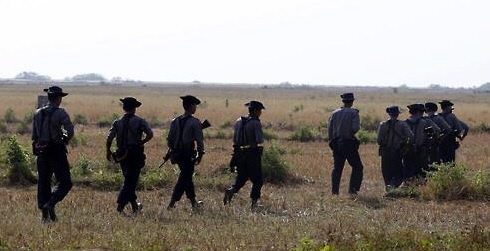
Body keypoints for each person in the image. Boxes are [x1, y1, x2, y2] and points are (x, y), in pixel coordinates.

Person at [32, 86, 74, 222]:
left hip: (41, 152)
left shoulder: (37, 113)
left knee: (43, 182)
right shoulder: (61, 113)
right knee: (66, 182)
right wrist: (65, 139)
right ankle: (51, 203)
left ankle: (44, 216)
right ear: (58, 98)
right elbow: (70, 130)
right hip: (56, 151)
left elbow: (34, 136)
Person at [106, 97, 153, 214]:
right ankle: (120, 206)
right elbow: (150, 134)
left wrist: (108, 151)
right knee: (130, 182)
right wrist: (141, 142)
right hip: (135, 154)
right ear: (134, 109)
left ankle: (135, 207)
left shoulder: (117, 122)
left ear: (123, 108)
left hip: (122, 155)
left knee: (129, 179)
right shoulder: (140, 121)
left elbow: (109, 138)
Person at [223, 101, 265, 209]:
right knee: (258, 180)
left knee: (241, 178)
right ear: (255, 111)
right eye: (260, 110)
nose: (260, 113)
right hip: (252, 154)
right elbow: (260, 139)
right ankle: (254, 203)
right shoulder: (256, 123)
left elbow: (235, 140)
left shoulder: (239, 121)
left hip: (239, 154)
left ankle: (231, 191)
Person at [166, 95, 205, 210]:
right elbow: (199, 141)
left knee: (187, 178)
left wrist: (173, 150)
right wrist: (200, 154)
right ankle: (172, 204)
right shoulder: (195, 122)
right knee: (183, 179)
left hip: (177, 154)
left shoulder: (175, 121)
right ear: (191, 106)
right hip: (188, 155)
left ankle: (194, 203)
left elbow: (169, 140)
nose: (196, 108)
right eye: (195, 105)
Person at [327, 93, 364, 195]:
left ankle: (335, 192)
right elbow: (355, 128)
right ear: (352, 102)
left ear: (343, 101)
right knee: (357, 167)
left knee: (337, 168)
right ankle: (353, 190)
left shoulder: (334, 113)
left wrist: (332, 141)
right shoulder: (354, 113)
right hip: (349, 143)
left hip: (336, 143)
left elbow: (329, 130)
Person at [377, 106, 414, 191]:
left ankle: (388, 187)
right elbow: (411, 136)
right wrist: (404, 143)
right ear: (398, 114)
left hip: (385, 151)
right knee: (398, 172)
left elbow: (379, 140)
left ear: (389, 114)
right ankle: (393, 186)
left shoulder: (383, 124)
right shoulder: (402, 125)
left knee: (386, 171)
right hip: (396, 151)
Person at [403, 104, 440, 180]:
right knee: (422, 173)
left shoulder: (404, 123)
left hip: (407, 151)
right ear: (419, 112)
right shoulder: (425, 121)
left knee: (408, 172)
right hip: (421, 150)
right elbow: (437, 130)